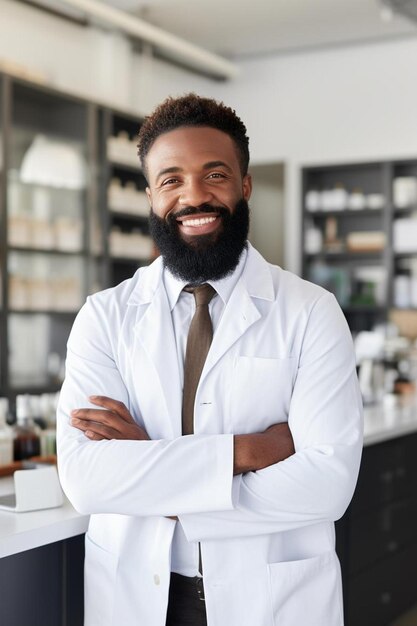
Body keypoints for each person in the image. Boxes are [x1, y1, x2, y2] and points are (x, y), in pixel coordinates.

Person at [57, 93, 363, 626]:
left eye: (214, 174)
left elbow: (328, 483)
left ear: (244, 185)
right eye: (171, 179)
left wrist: (151, 467)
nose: (193, 196)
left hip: (270, 599)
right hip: (135, 594)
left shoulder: (312, 311)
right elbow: (87, 480)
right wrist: (249, 450)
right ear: (152, 194)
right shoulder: (104, 317)